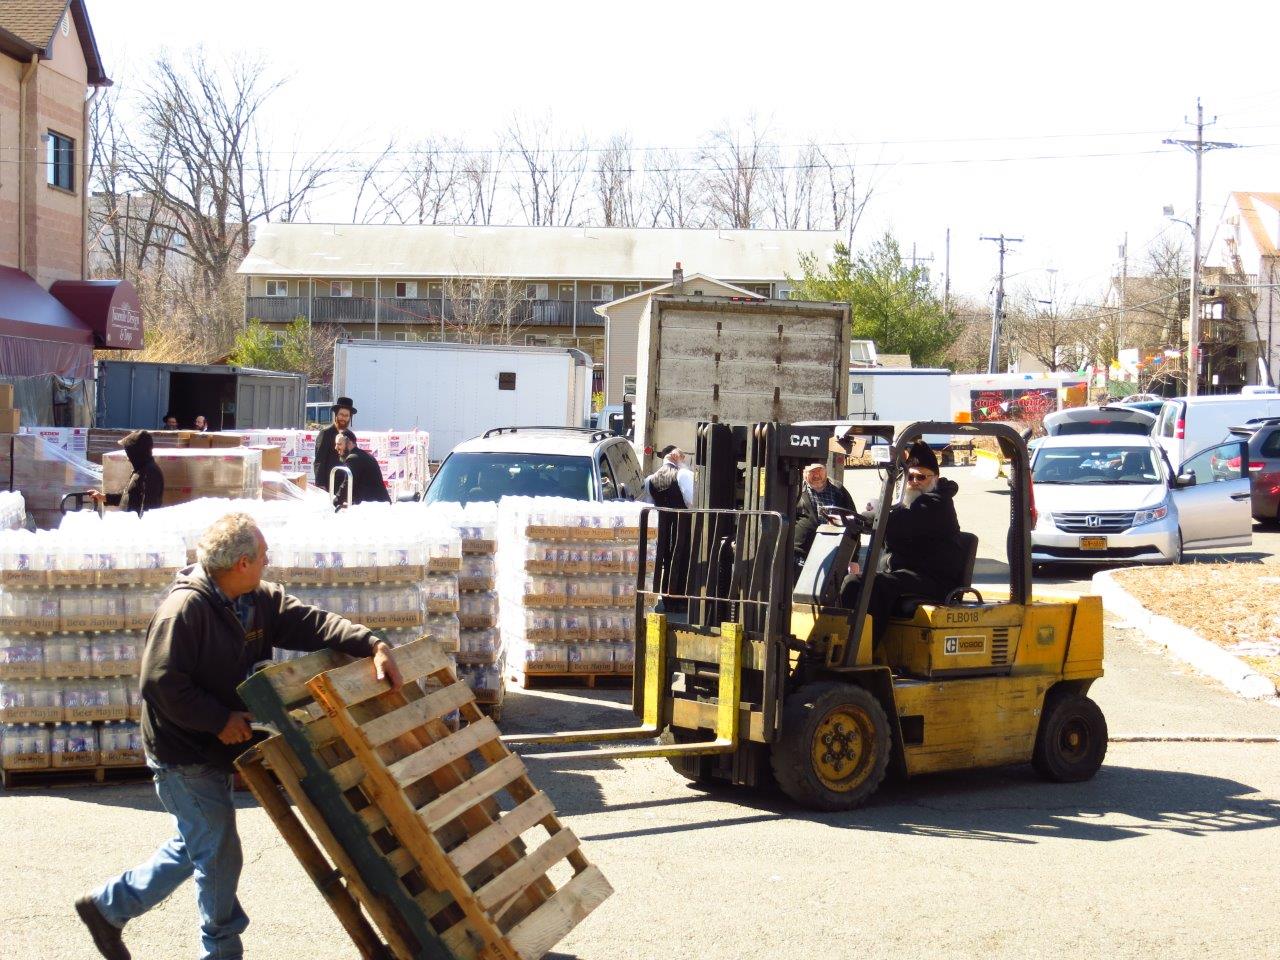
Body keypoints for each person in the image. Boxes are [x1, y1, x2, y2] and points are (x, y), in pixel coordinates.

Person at [75, 513, 403, 960]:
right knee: (220, 854)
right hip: (182, 753)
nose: (269, 561)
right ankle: (221, 952)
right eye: (264, 555)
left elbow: (311, 623)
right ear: (242, 563)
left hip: (212, 747)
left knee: (200, 842)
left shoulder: (256, 600)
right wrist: (217, 719)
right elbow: (160, 683)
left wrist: (371, 643)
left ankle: (108, 907)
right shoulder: (185, 611)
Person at [840, 440, 964, 637]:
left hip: (933, 578)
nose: (914, 482)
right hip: (908, 573)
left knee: (864, 585)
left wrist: (867, 517)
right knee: (846, 581)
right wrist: (856, 519)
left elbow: (898, 522)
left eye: (920, 477)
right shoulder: (906, 503)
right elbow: (890, 520)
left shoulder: (937, 504)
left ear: (935, 478)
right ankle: (842, 645)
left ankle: (861, 651)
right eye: (910, 476)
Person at [642, 446, 695, 600]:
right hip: (680, 524)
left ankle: (659, 596)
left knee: (661, 559)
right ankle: (676, 599)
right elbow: (692, 502)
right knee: (679, 558)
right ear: (675, 457)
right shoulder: (682, 474)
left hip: (661, 525)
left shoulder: (650, 479)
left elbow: (649, 505)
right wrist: (683, 465)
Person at [87, 430, 165, 517]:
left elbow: (148, 508)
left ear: (136, 452)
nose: (127, 457)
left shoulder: (150, 473)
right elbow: (128, 496)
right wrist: (103, 497)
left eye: (128, 452)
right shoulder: (140, 470)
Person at [793, 462, 855, 567]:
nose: (816, 475)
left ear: (826, 471)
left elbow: (853, 523)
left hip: (832, 551)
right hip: (802, 554)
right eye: (812, 472)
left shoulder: (838, 490)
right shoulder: (796, 490)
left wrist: (853, 558)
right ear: (804, 473)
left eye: (819, 471)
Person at [332, 430, 391, 507]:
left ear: (349, 443)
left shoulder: (353, 458)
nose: (336, 447)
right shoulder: (363, 455)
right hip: (378, 503)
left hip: (374, 506)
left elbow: (347, 483)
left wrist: (336, 501)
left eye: (339, 444)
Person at [314, 397, 357, 488]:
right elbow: (319, 461)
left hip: (346, 484)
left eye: (346, 416)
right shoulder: (325, 433)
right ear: (336, 415)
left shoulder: (351, 436)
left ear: (350, 417)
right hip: (329, 484)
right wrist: (320, 485)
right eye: (341, 414)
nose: (343, 418)